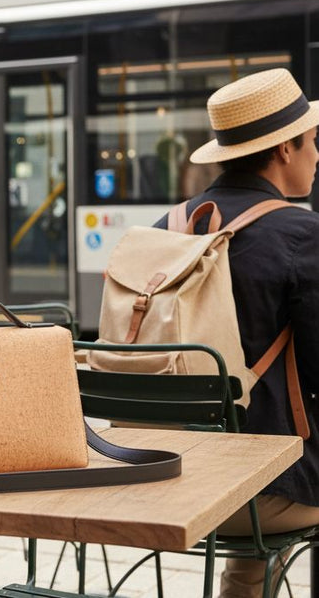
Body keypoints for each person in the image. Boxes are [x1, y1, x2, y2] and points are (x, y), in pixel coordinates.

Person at [155, 68, 319, 598]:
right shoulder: (301, 237)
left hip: (162, 477)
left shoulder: (166, 229)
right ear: (285, 150)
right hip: (259, 495)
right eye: (314, 142)